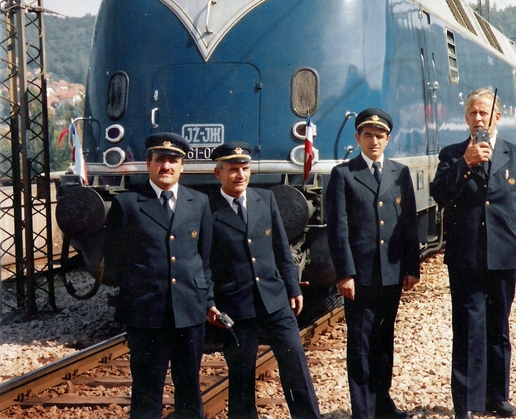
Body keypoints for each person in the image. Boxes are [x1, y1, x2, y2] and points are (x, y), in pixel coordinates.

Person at [430, 88, 516, 419]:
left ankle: (497, 397)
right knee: (467, 329)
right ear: (466, 118)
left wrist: (506, 234)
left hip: (504, 255)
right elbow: (440, 195)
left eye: (484, 113)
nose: (479, 118)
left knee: (498, 327)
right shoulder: (452, 154)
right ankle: (466, 402)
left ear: (496, 117)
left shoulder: (515, 154)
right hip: (466, 256)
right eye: (473, 113)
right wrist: (466, 163)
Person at [205, 141, 321, 419]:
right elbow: (203, 262)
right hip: (235, 305)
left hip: (275, 300)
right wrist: (208, 302)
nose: (241, 175)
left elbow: (282, 249)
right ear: (218, 173)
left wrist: (293, 288)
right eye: (233, 169)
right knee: (241, 375)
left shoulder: (265, 199)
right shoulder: (207, 209)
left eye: (245, 169)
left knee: (295, 364)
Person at [103, 132, 214, 419]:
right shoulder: (128, 204)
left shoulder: (199, 202)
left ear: (182, 166)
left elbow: (204, 258)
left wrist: (207, 300)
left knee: (189, 392)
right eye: (160, 159)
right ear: (148, 164)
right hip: (147, 314)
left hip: (189, 312)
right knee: (146, 394)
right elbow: (113, 262)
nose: (166, 166)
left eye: (173, 161)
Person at [325, 108, 421, 419]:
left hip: (391, 272)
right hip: (361, 275)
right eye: (368, 135)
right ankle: (363, 410)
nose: (374, 141)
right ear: (358, 138)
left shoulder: (399, 172)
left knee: (384, 339)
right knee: (361, 342)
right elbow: (338, 229)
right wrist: (345, 274)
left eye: (380, 136)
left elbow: (409, 224)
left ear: (388, 139)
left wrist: (412, 268)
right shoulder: (343, 174)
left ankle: (382, 403)